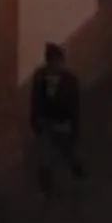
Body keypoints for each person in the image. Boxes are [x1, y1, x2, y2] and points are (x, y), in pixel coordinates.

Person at [29, 42, 84, 188]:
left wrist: (74, 128)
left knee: (68, 151)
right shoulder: (40, 77)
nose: (57, 66)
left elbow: (74, 106)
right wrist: (35, 121)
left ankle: (76, 170)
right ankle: (46, 185)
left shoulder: (70, 80)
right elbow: (35, 100)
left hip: (63, 122)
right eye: (54, 63)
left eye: (59, 62)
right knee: (45, 156)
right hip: (47, 123)